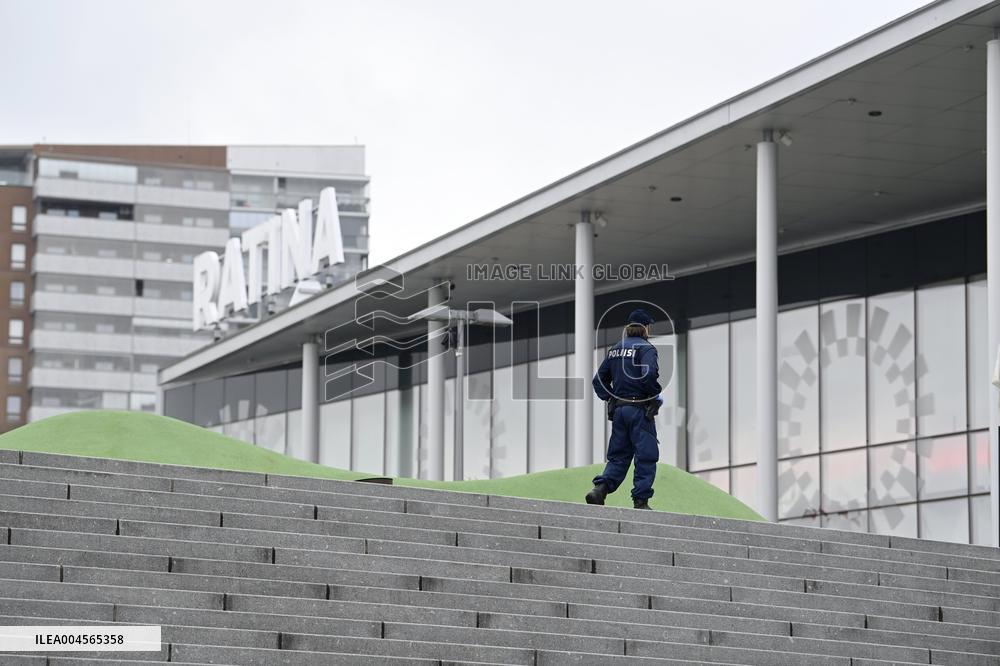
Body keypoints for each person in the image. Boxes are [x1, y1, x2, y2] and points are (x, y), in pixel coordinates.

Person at [586, 308, 662, 510]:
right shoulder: (646, 348)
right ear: (645, 328)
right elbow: (649, 375)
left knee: (618, 456)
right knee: (646, 454)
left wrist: (611, 398)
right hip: (639, 410)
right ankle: (641, 501)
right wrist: (653, 396)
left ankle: (600, 490)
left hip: (620, 412)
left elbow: (598, 381)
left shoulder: (615, 350)